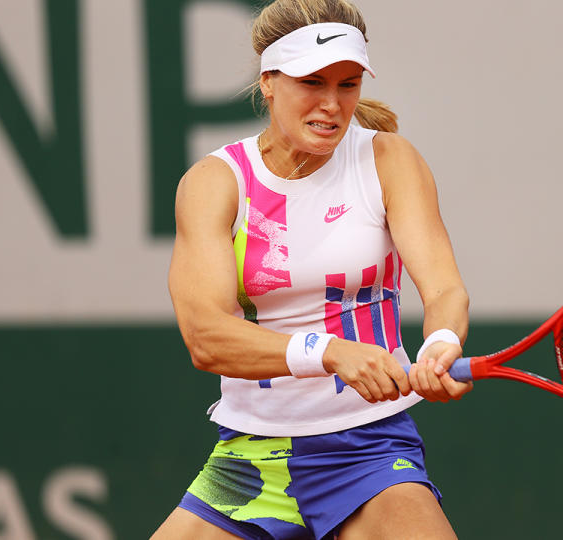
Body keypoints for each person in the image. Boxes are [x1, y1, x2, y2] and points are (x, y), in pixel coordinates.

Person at [151, 1, 472, 538]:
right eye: (312, 82)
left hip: (369, 450)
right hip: (252, 458)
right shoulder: (215, 182)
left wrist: (441, 339)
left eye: (348, 84)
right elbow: (205, 337)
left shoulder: (389, 159)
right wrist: (328, 353)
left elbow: (443, 286)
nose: (332, 104)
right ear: (269, 81)